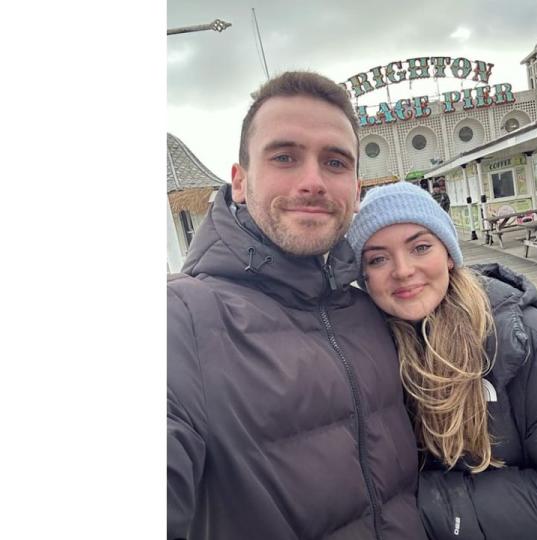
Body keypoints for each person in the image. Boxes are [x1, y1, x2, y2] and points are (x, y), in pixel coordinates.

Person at [167, 72, 427, 540]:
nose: (313, 182)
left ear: (356, 187)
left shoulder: (372, 310)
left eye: (334, 162)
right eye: (285, 157)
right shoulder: (181, 320)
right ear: (240, 181)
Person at [347, 182, 537, 540]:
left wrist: (413, 506)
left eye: (420, 247)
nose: (403, 270)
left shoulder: (531, 344)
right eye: (378, 258)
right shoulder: (361, 357)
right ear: (363, 277)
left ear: (448, 253)